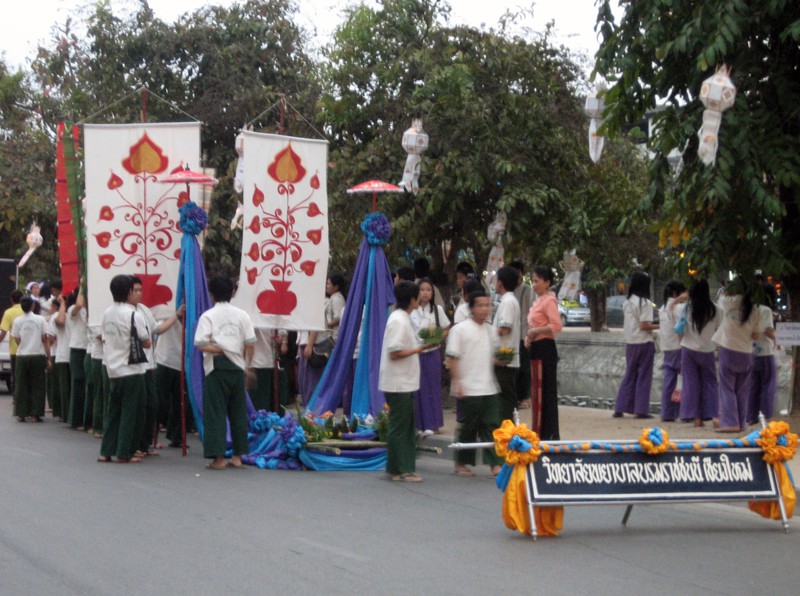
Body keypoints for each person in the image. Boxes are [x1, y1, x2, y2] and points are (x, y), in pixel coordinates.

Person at [194, 276, 256, 470]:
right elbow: (250, 343)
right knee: (238, 412)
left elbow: (201, 345)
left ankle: (218, 458)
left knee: (216, 412)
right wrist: (246, 366)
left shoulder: (208, 316)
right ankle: (238, 456)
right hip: (237, 367)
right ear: (232, 293)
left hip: (216, 367)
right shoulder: (243, 315)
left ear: (211, 294)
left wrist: (220, 349)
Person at [447, 290, 503, 477]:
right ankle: (461, 462)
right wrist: (457, 383)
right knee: (468, 427)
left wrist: (502, 360)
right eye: (480, 305)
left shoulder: (491, 330)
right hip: (468, 387)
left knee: (492, 425)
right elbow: (452, 358)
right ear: (471, 308)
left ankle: (495, 464)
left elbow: (493, 355)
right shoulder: (460, 330)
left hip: (489, 387)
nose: (485, 308)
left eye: (488, 305)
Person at [98, 275, 151, 463]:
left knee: (113, 412)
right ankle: (124, 452)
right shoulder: (133, 314)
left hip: (112, 367)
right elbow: (145, 341)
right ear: (129, 292)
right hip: (131, 369)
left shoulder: (107, 313)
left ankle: (106, 451)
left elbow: (103, 336)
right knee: (130, 411)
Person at [379, 280, 424, 482]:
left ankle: (397, 468)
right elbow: (395, 351)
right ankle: (402, 469)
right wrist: (418, 350)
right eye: (417, 296)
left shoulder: (402, 318)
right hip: (398, 382)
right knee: (401, 427)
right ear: (412, 299)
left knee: (404, 425)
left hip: (403, 381)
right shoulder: (398, 320)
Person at [712, 277, 763, 432]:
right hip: (746, 352)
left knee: (727, 387)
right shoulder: (756, 309)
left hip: (729, 350)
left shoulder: (728, 302)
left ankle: (730, 423)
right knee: (742, 390)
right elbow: (756, 336)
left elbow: (720, 299)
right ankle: (741, 422)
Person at [525, 265, 564, 439]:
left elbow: (556, 326)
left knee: (546, 392)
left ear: (547, 282)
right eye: (532, 281)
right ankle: (539, 430)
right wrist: (529, 336)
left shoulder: (549, 301)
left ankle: (549, 433)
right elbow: (534, 326)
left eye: (537, 281)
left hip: (546, 348)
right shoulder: (537, 301)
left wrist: (536, 332)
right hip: (536, 347)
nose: (534, 284)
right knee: (537, 391)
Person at [613, 272, 658, 419]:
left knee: (629, 375)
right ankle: (640, 410)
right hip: (644, 342)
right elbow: (644, 325)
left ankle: (620, 407)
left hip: (631, 342)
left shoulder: (627, 302)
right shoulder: (644, 303)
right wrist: (659, 326)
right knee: (644, 376)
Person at [677, 279, 722, 426]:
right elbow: (719, 329)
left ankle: (696, 418)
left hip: (688, 349)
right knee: (710, 383)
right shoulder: (715, 309)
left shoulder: (687, 308)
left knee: (691, 383)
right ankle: (714, 415)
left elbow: (680, 329)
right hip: (707, 349)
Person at [410, 278, 449, 435]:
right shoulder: (412, 310)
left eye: (428, 290)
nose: (425, 293)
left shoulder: (437, 310)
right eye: (422, 290)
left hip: (432, 352)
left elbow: (446, 327)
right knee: (417, 388)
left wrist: (437, 338)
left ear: (432, 293)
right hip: (416, 352)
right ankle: (419, 423)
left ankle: (433, 423)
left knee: (432, 387)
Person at [10, 296, 52, 422]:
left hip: (22, 356)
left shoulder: (17, 321)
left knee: (21, 384)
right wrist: (48, 357)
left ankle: (21, 413)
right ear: (33, 306)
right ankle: (35, 414)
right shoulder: (40, 319)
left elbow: (16, 338)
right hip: (37, 355)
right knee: (38, 385)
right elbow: (45, 339)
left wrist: (24, 345)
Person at [492, 266, 520, 424]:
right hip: (505, 356)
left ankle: (506, 429)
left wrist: (487, 335)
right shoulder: (508, 300)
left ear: (500, 283)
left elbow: (505, 327)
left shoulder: (508, 302)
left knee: (506, 397)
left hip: (505, 358)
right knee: (505, 396)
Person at [748, 284, 778, 424]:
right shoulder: (765, 310)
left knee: (753, 385)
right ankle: (767, 415)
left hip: (752, 351)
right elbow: (768, 330)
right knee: (768, 384)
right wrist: (777, 338)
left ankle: (751, 416)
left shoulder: (750, 308)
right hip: (765, 351)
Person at [658, 280, 686, 422]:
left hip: (666, 347)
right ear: (676, 293)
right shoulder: (677, 307)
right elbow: (680, 328)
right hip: (678, 346)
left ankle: (667, 413)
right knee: (683, 380)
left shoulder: (662, 308)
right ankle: (684, 412)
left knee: (669, 380)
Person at [509, 261, 533, 410]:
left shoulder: (527, 291)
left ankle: (525, 397)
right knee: (514, 369)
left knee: (524, 368)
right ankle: (516, 397)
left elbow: (531, 313)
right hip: (512, 336)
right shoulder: (509, 292)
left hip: (524, 334)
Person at [249, 329, 289, 412]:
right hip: (263, 362)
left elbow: (282, 331)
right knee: (265, 403)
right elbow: (283, 331)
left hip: (261, 362)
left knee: (262, 403)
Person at [67, 285, 88, 429]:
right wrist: (83, 285)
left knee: (87, 385)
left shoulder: (91, 311)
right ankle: (75, 420)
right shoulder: (72, 310)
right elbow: (79, 304)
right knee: (78, 383)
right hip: (77, 348)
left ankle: (86, 419)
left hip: (88, 349)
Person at [0, 289, 25, 395]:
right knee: (24, 374)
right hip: (27, 349)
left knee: (15, 374)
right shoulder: (27, 311)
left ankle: (16, 396)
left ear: (11, 300)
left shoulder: (8, 312)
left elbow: (4, 331)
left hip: (14, 349)